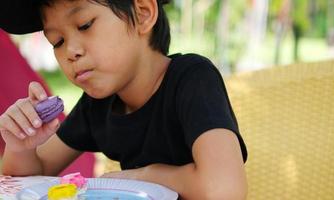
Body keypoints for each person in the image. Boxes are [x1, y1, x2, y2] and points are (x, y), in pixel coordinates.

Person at [0, 0, 248, 199]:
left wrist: (144, 176)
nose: (70, 52)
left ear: (142, 13)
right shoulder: (98, 103)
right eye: (58, 41)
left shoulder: (193, 79)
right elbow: (20, 183)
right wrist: (21, 145)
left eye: (85, 25)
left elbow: (224, 189)